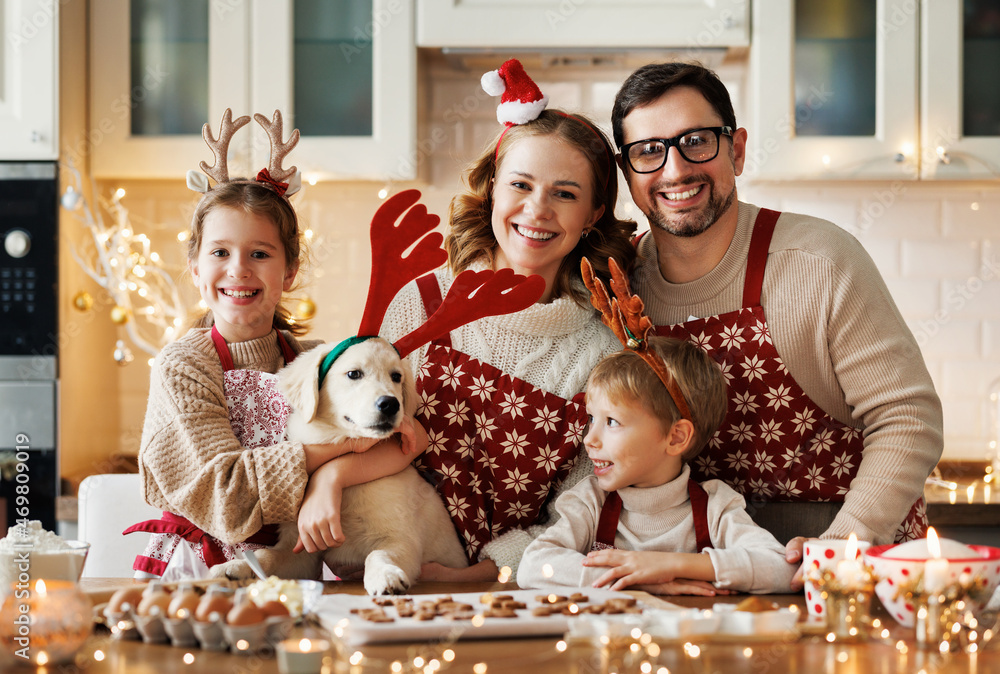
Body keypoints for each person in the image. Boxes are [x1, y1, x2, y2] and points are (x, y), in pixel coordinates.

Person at [610, 62, 943, 585]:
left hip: (849, 573)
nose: (674, 170)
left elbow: (908, 418)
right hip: (700, 574)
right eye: (649, 151)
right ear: (627, 173)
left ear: (736, 150)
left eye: (696, 141)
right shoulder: (619, 290)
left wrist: (841, 549)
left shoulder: (819, 261)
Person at [366, 60, 638, 583]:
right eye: (520, 185)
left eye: (565, 193)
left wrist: (483, 573)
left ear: (594, 215)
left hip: (524, 591)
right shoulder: (418, 303)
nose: (537, 210)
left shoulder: (602, 348)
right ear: (492, 188)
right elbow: (358, 431)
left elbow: (585, 506)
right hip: (387, 573)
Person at [128, 110, 422, 577]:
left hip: (291, 566)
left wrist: (331, 479)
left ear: (290, 270)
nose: (239, 270)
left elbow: (408, 440)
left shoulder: (316, 360)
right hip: (199, 571)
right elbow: (227, 496)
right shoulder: (182, 366)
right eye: (220, 252)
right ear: (195, 266)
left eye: (259, 254)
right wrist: (336, 452)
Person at [519, 336, 795, 594]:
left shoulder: (715, 507)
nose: (589, 438)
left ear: (675, 438)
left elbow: (783, 568)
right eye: (592, 418)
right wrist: (641, 581)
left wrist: (668, 566)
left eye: (612, 422)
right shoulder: (592, 502)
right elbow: (533, 565)